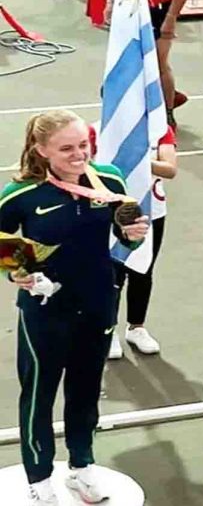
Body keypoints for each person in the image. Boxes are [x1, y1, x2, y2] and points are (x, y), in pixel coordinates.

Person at [0, 110, 149, 505]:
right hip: (46, 311)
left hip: (99, 303)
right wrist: (17, 271)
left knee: (85, 392)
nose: (79, 154)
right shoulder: (23, 194)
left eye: (83, 145)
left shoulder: (109, 180)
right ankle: (39, 477)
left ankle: (81, 468)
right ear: (41, 150)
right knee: (40, 395)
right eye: (66, 148)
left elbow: (125, 234)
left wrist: (133, 235)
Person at [98, 126, 178, 359]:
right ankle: (109, 330)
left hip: (153, 210)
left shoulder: (161, 132)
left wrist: (140, 162)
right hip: (114, 211)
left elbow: (170, 169)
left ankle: (136, 327)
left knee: (143, 271)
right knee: (114, 272)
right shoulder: (104, 127)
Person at [86, 0, 191, 127]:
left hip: (157, 10)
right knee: (126, 64)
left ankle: (167, 116)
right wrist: (110, 2)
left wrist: (171, 18)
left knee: (158, 63)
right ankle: (135, 109)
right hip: (127, 11)